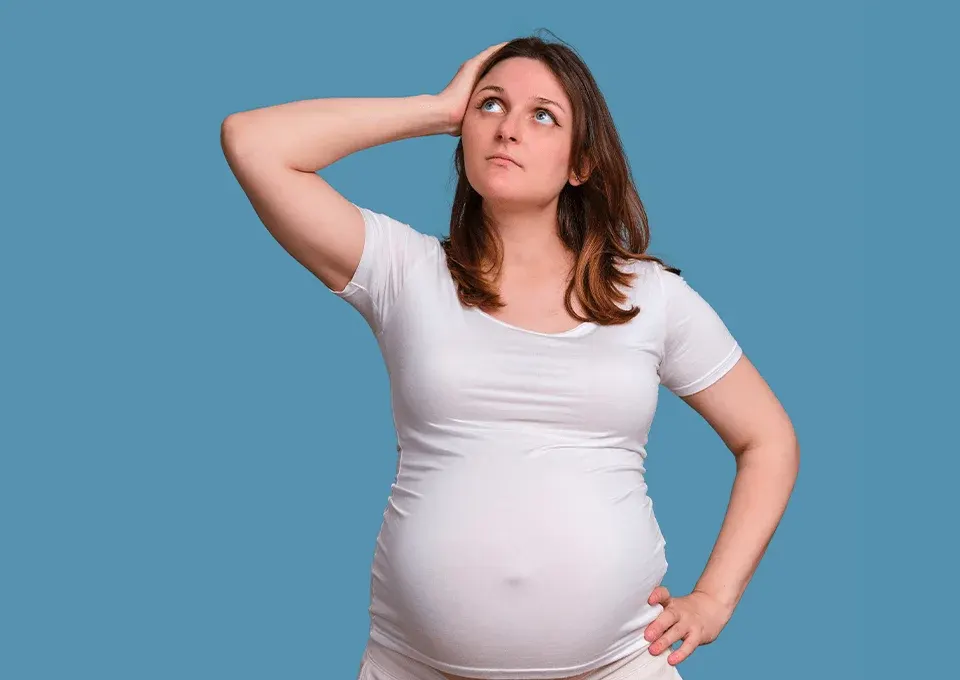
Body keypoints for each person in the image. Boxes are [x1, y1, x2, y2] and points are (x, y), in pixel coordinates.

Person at [221, 34, 800, 680]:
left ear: (581, 164)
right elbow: (253, 143)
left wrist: (716, 599)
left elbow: (768, 439)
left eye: (542, 115)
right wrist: (436, 109)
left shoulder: (651, 298)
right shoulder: (405, 272)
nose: (509, 130)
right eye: (490, 106)